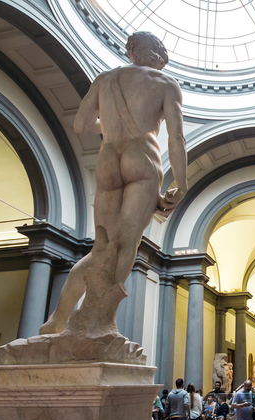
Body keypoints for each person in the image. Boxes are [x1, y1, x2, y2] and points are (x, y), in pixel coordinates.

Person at [40, 31, 187, 336]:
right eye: (162, 58)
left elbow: (81, 125)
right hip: (142, 158)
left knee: (101, 246)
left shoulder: (104, 80)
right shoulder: (164, 83)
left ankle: (58, 319)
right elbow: (176, 137)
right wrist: (181, 185)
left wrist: (108, 126)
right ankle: (99, 317)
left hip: (108, 158)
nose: (162, 64)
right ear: (155, 54)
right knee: (125, 242)